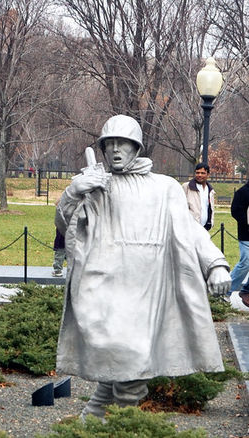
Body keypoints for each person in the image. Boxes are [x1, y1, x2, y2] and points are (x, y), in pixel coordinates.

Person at [55, 115, 230, 420]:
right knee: (113, 360)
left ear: (136, 147)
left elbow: (190, 230)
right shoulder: (96, 186)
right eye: (109, 145)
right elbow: (66, 226)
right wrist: (74, 192)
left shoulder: (164, 188)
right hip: (102, 285)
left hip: (145, 288)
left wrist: (215, 264)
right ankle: (101, 420)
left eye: (123, 143)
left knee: (132, 360)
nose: (115, 151)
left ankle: (114, 422)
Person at [230, 179, 249, 296]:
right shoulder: (242, 192)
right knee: (245, 263)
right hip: (246, 235)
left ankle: (246, 290)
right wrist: (246, 223)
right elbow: (235, 211)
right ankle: (224, 291)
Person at [182, 163, 215, 230]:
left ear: (208, 175)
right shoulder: (186, 187)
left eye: (203, 173)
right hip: (190, 228)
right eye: (197, 173)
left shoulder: (210, 190)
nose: (199, 175)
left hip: (205, 228)